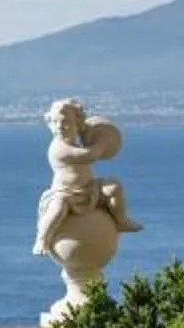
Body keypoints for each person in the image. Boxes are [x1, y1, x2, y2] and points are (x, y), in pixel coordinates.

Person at [33, 96, 141, 258]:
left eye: (65, 122)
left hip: (89, 187)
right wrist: (102, 143)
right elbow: (89, 155)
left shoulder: (73, 143)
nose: (60, 127)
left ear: (77, 124)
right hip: (66, 192)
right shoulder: (59, 149)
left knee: (114, 187)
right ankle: (41, 238)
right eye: (55, 122)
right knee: (57, 209)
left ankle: (121, 220)